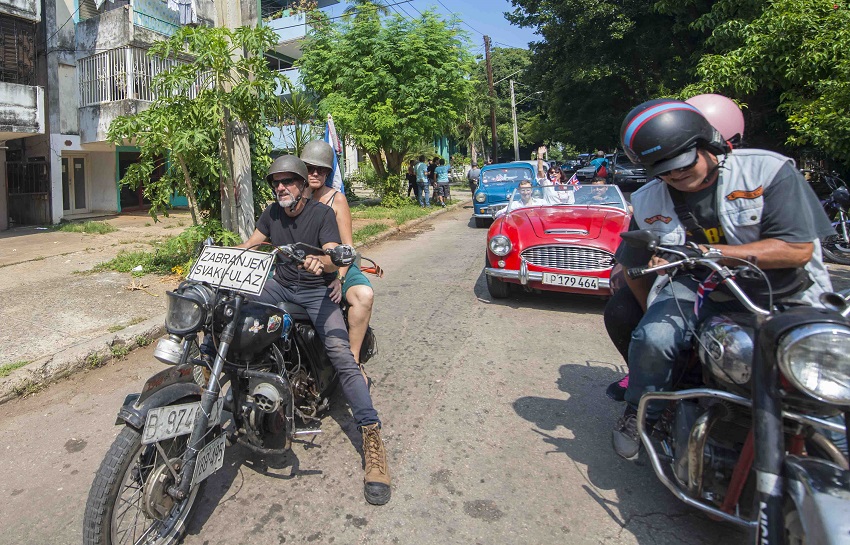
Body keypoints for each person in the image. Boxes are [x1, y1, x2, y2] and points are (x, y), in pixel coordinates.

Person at [610, 98, 835, 461]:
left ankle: (832, 449)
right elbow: (633, 267)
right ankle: (640, 414)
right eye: (664, 171)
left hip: (786, 290)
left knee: (823, 369)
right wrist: (651, 316)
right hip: (699, 288)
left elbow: (797, 250)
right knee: (654, 336)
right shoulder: (649, 199)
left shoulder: (766, 171)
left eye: (684, 164)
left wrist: (708, 253)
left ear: (706, 144)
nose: (676, 176)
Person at [239, 154, 392, 504]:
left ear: (302, 186)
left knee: (342, 356)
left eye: (288, 181)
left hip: (314, 291)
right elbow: (252, 244)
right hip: (278, 285)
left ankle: (371, 437)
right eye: (276, 182)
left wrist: (322, 262)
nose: (281, 187)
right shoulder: (271, 212)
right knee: (235, 315)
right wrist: (221, 257)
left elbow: (333, 251)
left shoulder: (322, 214)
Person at [300, 140, 376, 388]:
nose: (315, 173)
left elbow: (347, 247)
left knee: (363, 295)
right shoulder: (294, 196)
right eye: (310, 168)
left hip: (338, 266)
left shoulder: (336, 199)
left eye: (320, 169)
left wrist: (339, 279)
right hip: (303, 267)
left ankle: (352, 364)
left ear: (327, 173)